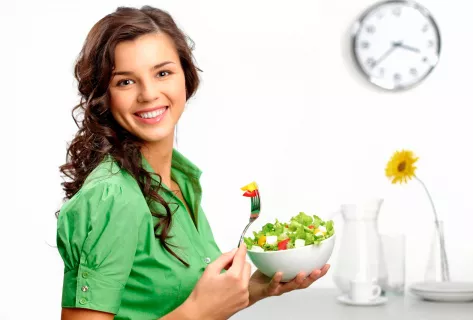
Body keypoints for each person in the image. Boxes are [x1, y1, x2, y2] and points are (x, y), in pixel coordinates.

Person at [56, 5, 330, 320]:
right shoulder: (113, 197)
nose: (148, 93)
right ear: (104, 95)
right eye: (125, 82)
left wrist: (256, 288)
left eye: (162, 73)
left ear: (185, 77)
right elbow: (196, 310)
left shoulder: (179, 180)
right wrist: (197, 313)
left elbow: (177, 299)